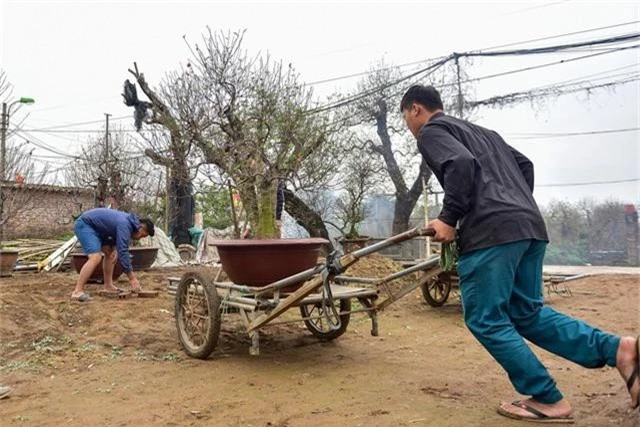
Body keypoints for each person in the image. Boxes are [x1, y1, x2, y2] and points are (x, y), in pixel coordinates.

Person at [400, 84, 639, 423]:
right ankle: (619, 349)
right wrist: (512, 206)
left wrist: (450, 217)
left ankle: (546, 397)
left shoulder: (431, 131)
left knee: (485, 318)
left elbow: (461, 163)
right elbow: (524, 165)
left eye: (406, 118)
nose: (410, 127)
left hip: (491, 235)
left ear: (414, 110)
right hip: (528, 227)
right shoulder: (485, 133)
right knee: (526, 313)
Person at [71, 208, 155, 302]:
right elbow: (123, 251)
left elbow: (114, 234)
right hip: (85, 224)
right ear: (140, 228)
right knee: (95, 257)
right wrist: (132, 278)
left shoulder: (129, 222)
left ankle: (108, 285)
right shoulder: (125, 224)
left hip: (98, 228)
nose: (139, 239)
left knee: (111, 253)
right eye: (142, 236)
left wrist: (115, 248)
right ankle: (77, 292)